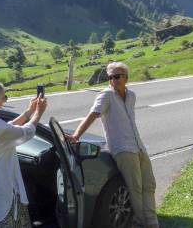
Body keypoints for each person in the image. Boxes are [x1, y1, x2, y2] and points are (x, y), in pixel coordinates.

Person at [68, 62, 158, 228]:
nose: (113, 80)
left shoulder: (131, 95)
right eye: (110, 77)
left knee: (149, 184)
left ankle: (151, 221)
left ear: (126, 78)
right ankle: (145, 223)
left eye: (116, 76)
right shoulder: (106, 95)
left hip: (138, 145)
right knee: (136, 188)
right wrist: (76, 135)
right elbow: (92, 115)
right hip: (123, 148)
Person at [0, 80, 47, 227]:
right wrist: (39, 112)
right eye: (4, 98)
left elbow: (7, 128)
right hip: (3, 186)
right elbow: (26, 132)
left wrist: (28, 112)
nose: (5, 100)